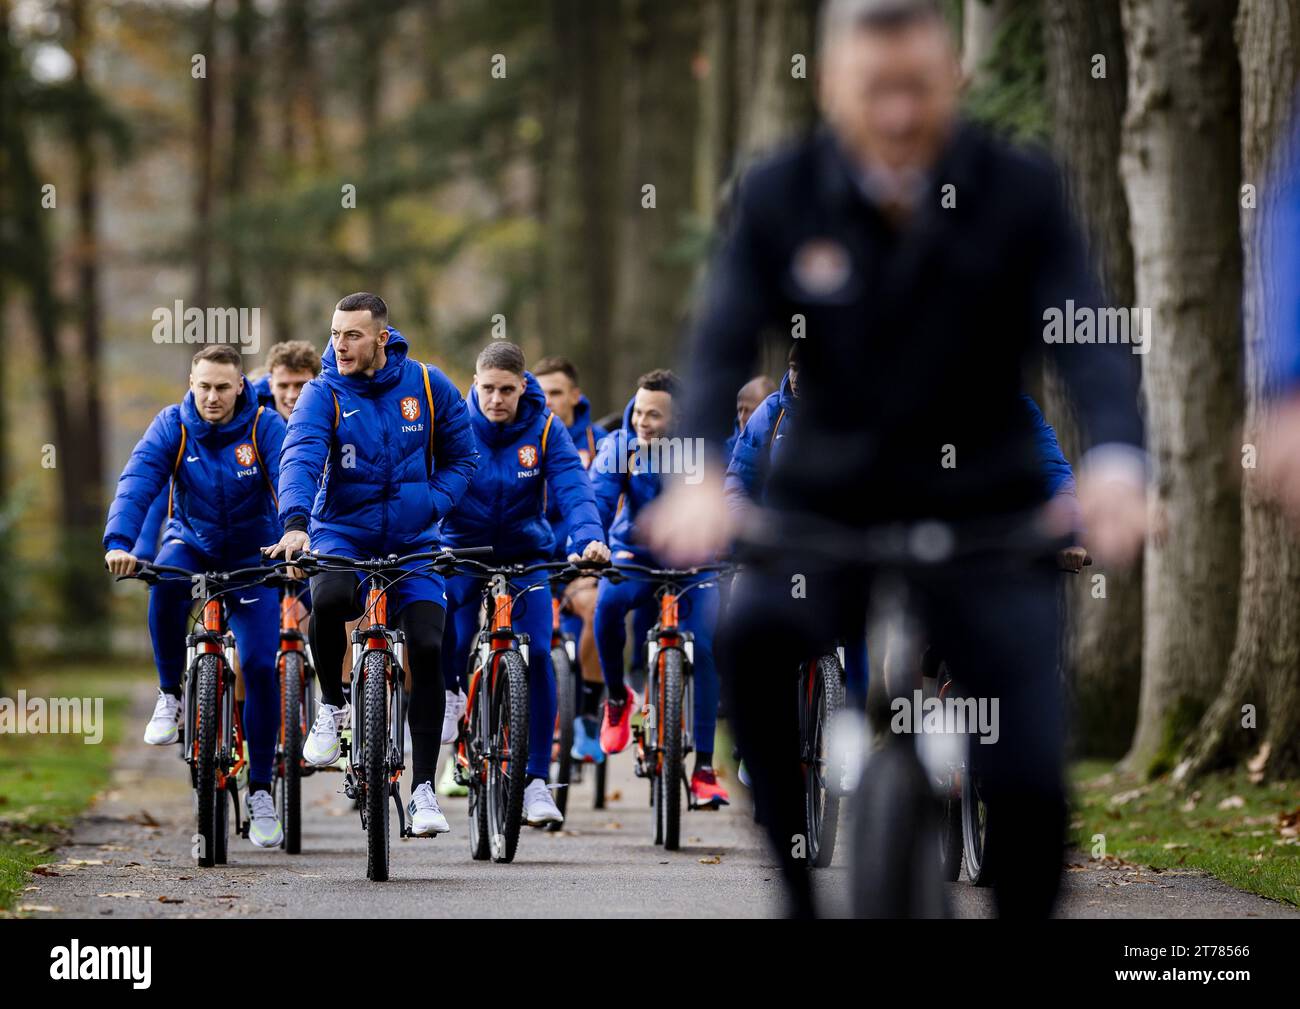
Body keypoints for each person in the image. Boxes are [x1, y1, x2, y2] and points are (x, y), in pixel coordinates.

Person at [642, 0, 1146, 918]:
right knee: (748, 636)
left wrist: (1115, 458)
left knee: (1031, 768)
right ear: (834, 89)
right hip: (824, 505)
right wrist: (701, 472)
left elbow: (1089, 337)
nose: (901, 116)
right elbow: (717, 344)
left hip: (988, 507)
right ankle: (796, 884)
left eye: (918, 89)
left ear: (951, 81)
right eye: (877, 92)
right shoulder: (781, 191)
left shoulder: (1018, 188)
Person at [267, 292, 478, 837]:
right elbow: (301, 454)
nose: (340, 345)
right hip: (342, 531)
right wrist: (295, 522)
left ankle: (425, 790)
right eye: (335, 334)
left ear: (382, 337)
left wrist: (433, 504)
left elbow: (463, 457)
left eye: (353, 335)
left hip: (416, 538)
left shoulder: (429, 386)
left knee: (429, 648)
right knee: (331, 599)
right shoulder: (323, 392)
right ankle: (333, 706)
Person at [104, 345, 288, 848]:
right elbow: (139, 480)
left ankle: (262, 789)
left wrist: (297, 534)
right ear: (191, 381)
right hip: (193, 541)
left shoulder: (264, 426)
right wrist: (120, 543)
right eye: (203, 386)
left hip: (255, 555)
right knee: (164, 583)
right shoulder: (172, 425)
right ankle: (171, 696)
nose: (211, 396)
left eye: (222, 387)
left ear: (239, 387)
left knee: (256, 666)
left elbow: (294, 481)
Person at [437, 342, 610, 824]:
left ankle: (535, 781)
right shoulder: (451, 422)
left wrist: (590, 538)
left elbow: (574, 488)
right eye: (488, 388)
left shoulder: (546, 427)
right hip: (460, 549)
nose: (496, 399)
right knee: (451, 622)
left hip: (526, 554)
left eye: (507, 390)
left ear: (522, 387)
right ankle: (452, 693)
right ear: (475, 384)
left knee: (537, 655)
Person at [591, 369, 730, 808]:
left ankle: (705, 768)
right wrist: (593, 540)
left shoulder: (705, 446)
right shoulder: (620, 446)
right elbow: (596, 497)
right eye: (639, 413)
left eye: (654, 416)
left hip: (695, 560)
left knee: (705, 648)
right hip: (635, 553)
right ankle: (617, 698)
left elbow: (728, 493)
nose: (641, 422)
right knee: (610, 604)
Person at [533, 355, 609, 762]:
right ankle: (467, 744)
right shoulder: (521, 436)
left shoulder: (600, 443)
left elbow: (601, 505)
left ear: (575, 396)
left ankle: (588, 717)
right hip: (528, 562)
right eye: (540, 393)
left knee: (598, 607)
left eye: (556, 393)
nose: (548, 401)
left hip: (576, 564)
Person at [251, 340, 321, 421]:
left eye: (301, 385)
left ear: (317, 384)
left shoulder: (335, 415)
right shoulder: (247, 417)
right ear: (271, 386)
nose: (291, 395)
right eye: (283, 386)